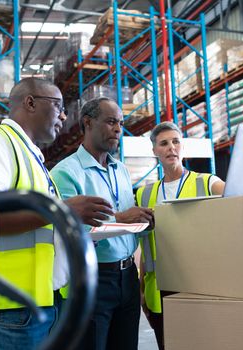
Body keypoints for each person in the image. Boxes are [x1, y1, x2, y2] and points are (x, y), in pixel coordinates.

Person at [0, 78, 114, 350]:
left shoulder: (33, 159)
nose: (64, 116)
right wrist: (64, 210)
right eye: (58, 106)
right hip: (5, 305)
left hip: (36, 301)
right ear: (30, 102)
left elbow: (40, 229)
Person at [51, 97, 154, 350]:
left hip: (127, 277)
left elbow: (126, 217)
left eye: (120, 123)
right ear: (87, 123)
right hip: (92, 278)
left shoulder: (120, 169)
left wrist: (142, 222)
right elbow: (68, 232)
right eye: (110, 122)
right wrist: (120, 218)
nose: (118, 129)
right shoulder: (65, 172)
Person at [135, 121, 225, 349]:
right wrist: (142, 291)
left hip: (198, 287)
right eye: (164, 144)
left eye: (176, 142)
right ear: (155, 151)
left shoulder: (206, 182)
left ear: (183, 147)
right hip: (160, 291)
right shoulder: (144, 195)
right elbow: (145, 246)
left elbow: (234, 195)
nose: (171, 148)